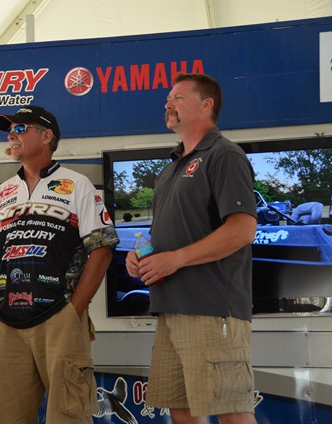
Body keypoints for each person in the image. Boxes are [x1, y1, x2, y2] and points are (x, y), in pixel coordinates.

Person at [125, 74, 258, 424]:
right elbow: (166, 233)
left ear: (205, 104)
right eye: (168, 97)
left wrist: (177, 259)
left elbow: (243, 229)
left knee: (231, 411)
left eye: (178, 97)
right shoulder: (169, 169)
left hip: (212, 308)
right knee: (181, 411)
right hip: (169, 309)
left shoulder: (225, 155)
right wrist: (140, 255)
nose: (167, 103)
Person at [0, 105, 119, 423]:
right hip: (5, 321)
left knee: (67, 416)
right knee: (2, 418)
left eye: (20, 129)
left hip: (59, 316)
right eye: (9, 131)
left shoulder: (77, 184)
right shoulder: (3, 192)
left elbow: (102, 249)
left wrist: (74, 310)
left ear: (46, 136)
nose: (11, 135)